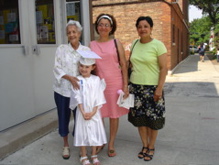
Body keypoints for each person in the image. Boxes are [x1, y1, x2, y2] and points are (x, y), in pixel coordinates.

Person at [128, 16, 167, 161]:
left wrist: (159, 88)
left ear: (151, 28)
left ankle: (151, 146)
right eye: (139, 26)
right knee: (140, 119)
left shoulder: (158, 45)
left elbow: (164, 68)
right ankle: (144, 145)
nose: (142, 29)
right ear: (137, 29)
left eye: (145, 26)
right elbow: (130, 64)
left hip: (152, 88)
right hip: (136, 87)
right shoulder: (134, 43)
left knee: (153, 119)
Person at [89, 13, 129, 157]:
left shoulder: (116, 43)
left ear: (111, 28)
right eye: (101, 24)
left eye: (106, 25)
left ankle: (111, 143)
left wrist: (125, 86)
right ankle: (101, 141)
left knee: (113, 114)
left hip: (115, 83)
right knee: (99, 115)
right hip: (99, 85)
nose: (103, 27)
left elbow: (124, 65)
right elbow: (89, 65)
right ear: (97, 27)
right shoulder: (91, 44)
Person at [53, 20, 90, 159]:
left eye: (74, 32)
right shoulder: (61, 49)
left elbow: (91, 68)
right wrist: (70, 78)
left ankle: (80, 144)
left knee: (80, 119)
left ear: (79, 33)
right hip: (62, 90)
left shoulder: (86, 50)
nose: (71, 34)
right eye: (69, 32)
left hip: (79, 92)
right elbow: (57, 68)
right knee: (63, 117)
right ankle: (66, 145)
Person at [69, 53, 107, 165]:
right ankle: (84, 155)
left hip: (94, 112)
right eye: (81, 66)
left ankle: (94, 154)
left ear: (93, 67)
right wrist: (83, 111)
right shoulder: (77, 79)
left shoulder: (96, 80)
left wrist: (94, 111)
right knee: (82, 132)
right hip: (82, 112)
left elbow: (99, 96)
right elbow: (77, 96)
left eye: (87, 67)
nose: (83, 69)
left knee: (94, 131)